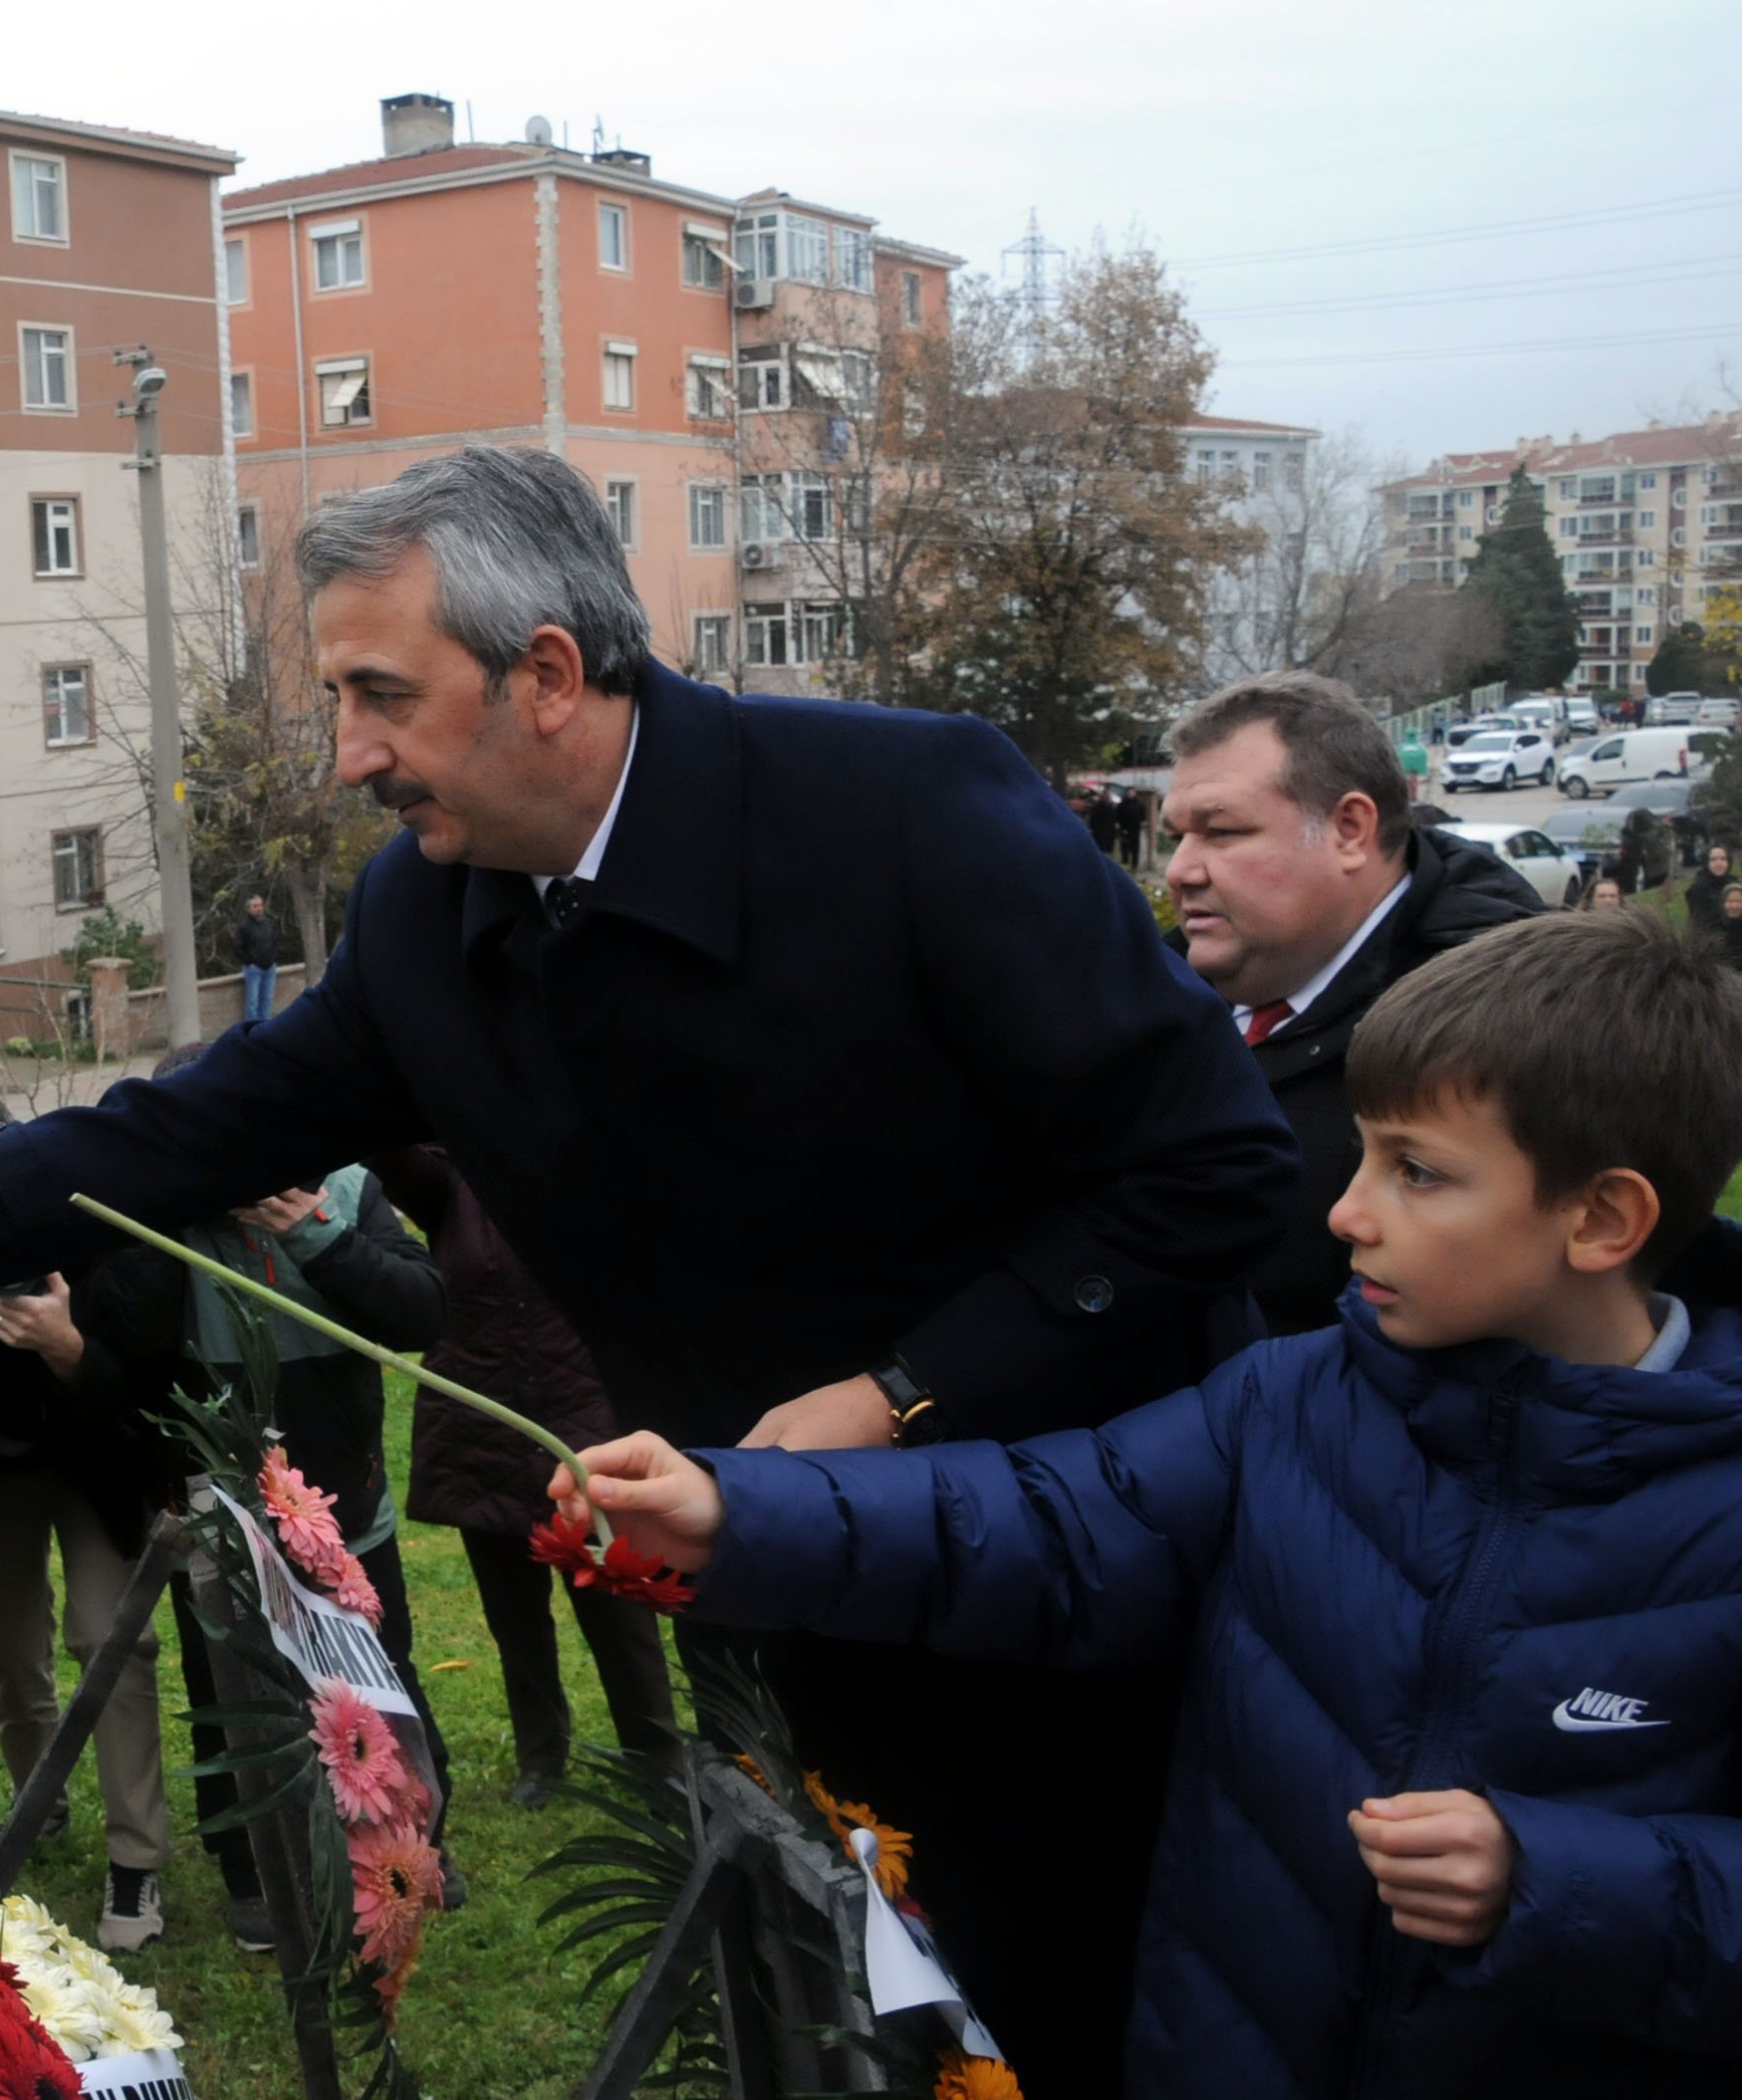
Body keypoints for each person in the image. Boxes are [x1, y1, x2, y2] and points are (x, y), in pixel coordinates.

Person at [0, 444, 1299, 2088]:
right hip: (794, 1605)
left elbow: (1214, 1170)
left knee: (1120, 2014)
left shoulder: (908, 810)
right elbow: (158, 1140)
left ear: (543, 672)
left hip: (1087, 1598)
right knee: (887, 2014)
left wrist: (899, 1395)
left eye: (378, 695)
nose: (347, 757)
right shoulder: (428, 917)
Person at [564, 910, 1742, 2100]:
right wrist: (740, 1511)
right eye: (1365, 1156)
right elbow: (1050, 1522)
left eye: (1418, 1172)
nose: (1346, 1212)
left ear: (1602, 1219)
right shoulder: (1296, 1400)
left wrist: (1550, 1880)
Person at [112, 1045, 453, 1949]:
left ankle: (411, 1843)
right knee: (231, 1692)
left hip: (345, 1509)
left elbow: (423, 1310)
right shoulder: (153, 1213)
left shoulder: (342, 1188)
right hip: (219, 1521)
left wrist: (316, 1234)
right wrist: (163, 1209)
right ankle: (255, 1873)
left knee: (379, 1675)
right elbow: (127, 1345)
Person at [1160, 673, 1542, 1335]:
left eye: (1220, 831)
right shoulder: (1150, 989)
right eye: (1177, 837)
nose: (1180, 870)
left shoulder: (1505, 1024)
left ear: (1349, 829)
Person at [0, 1090, 176, 1954]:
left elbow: (143, 1380)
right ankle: (38, 1803)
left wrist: (65, 1344)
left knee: (112, 1638)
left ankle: (136, 1857)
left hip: (97, 1456)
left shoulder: (96, 1219)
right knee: (3, 1638)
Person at [370, 1142, 677, 1804]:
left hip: (581, 1417)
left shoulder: (587, 1171)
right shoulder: (449, 1183)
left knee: (617, 1606)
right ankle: (541, 1754)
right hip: (482, 1428)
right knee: (514, 1613)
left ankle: (655, 1754)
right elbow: (389, 1152)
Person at [235, 894, 281, 1025]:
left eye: (260, 905)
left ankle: (265, 1028)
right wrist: (249, 962)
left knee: (267, 1000)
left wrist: (273, 958)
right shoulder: (244, 926)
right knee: (252, 1002)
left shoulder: (269, 923)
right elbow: (238, 947)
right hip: (253, 969)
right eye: (255, 906)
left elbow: (275, 941)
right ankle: (251, 1029)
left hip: (270, 967)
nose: (259, 908)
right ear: (248, 908)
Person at [1685, 843, 1732, 940]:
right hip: (1714, 941)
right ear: (1706, 862)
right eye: (1713, 859)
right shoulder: (1697, 890)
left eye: (1723, 859)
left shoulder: (1733, 884)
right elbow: (1702, 924)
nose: (1719, 863)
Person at [1115, 783, 1151, 871]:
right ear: (1126, 793)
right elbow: (1117, 818)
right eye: (1128, 792)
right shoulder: (1121, 805)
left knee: (1135, 849)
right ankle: (1125, 865)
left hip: (1135, 830)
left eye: (1132, 792)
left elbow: (1143, 818)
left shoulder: (1140, 805)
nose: (1130, 793)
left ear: (1135, 793)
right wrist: (1121, 829)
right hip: (1124, 830)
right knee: (1124, 848)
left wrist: (1139, 824)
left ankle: (1134, 866)